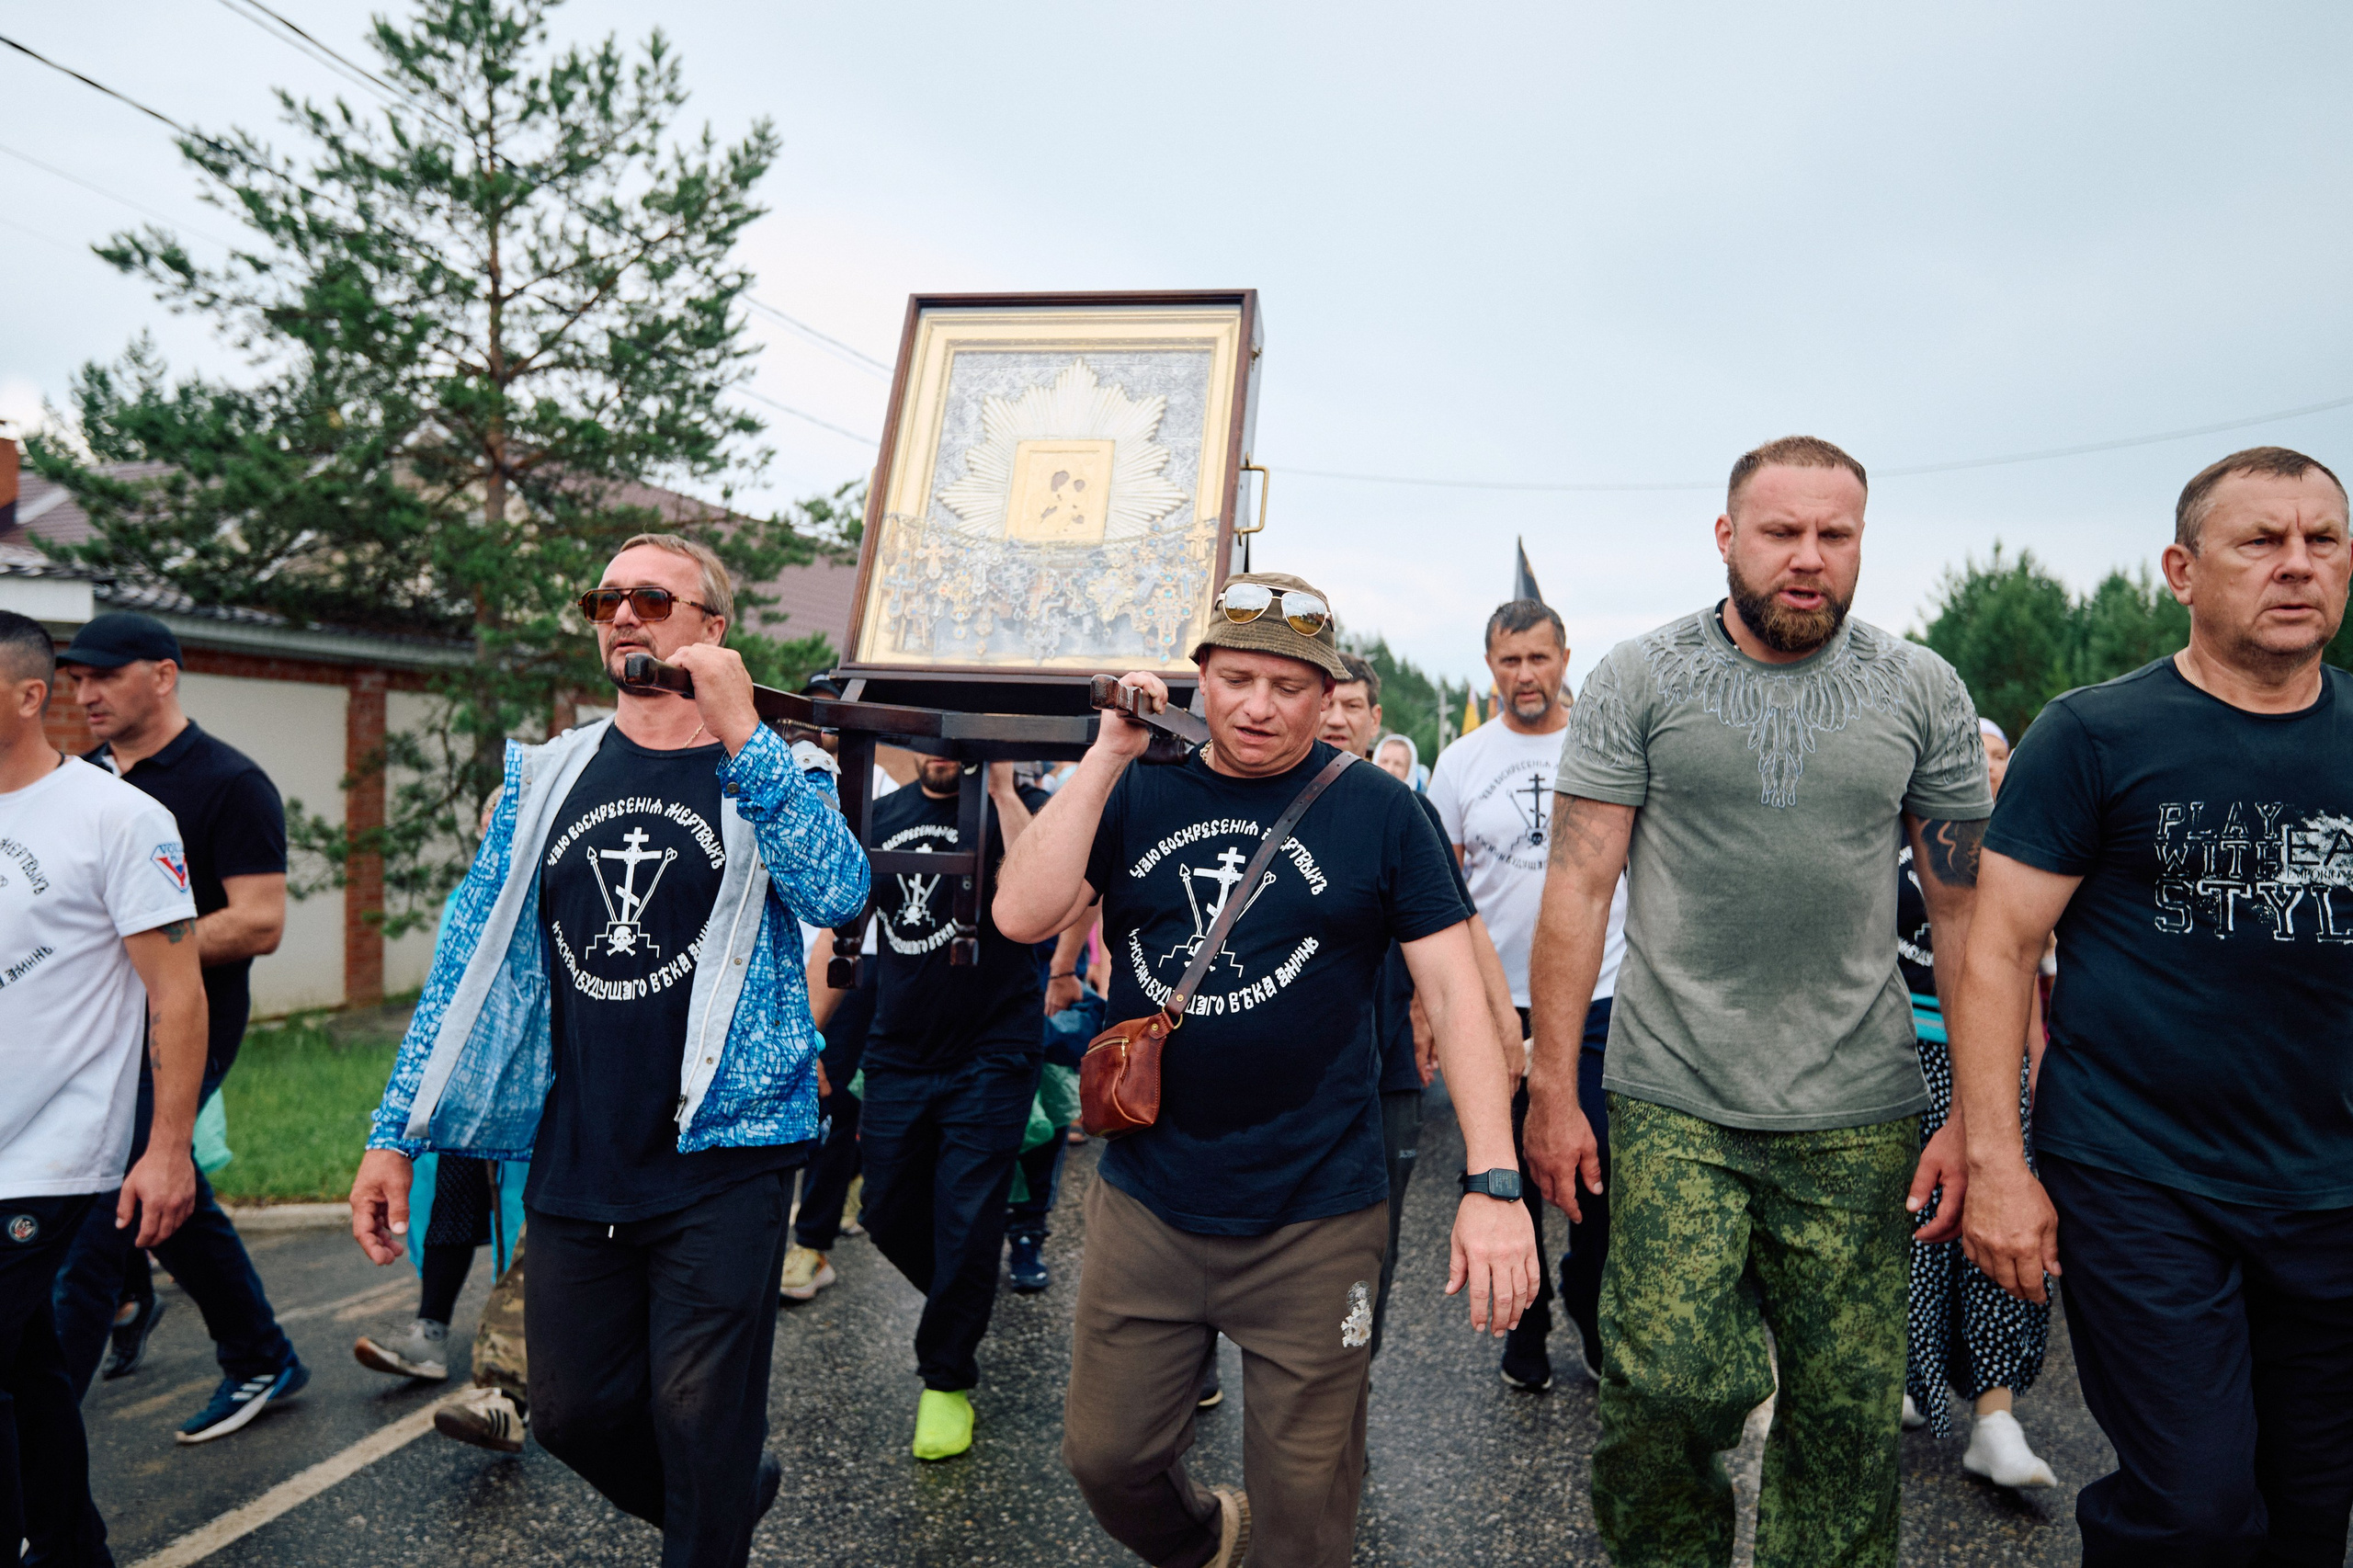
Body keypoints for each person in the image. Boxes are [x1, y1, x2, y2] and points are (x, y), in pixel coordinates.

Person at [996, 570, 1538, 1568]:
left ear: (1326, 693)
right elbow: (1022, 914)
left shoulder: (1378, 810)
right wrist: (1108, 750)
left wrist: (1492, 1180)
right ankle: (1205, 1538)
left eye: (1288, 685)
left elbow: (1459, 993)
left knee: (1305, 1508)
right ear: (1199, 676)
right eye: (1236, 677)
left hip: (1316, 1211)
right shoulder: (1138, 783)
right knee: (1106, 1458)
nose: (1258, 705)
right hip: (1149, 1197)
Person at [350, 532, 869, 1567]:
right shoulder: (547, 776)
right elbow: (463, 961)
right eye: (606, 600)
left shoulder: (783, 765)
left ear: (711, 629)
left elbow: (840, 893)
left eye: (651, 598)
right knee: (576, 1414)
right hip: (580, 1148)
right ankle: (721, 1501)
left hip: (728, 1152)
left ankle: (713, 1501)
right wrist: (393, 1132)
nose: (623, 615)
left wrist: (742, 734)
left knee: (699, 1418)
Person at [1526, 437, 1990, 1566]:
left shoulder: (1918, 686)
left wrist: (1977, 1115)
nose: (1808, 559)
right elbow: (1579, 884)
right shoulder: (1641, 677)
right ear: (1727, 537)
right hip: (1675, 1090)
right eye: (1782, 531)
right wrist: (1549, 1086)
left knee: (1843, 1422)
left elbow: (1971, 917)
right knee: (1666, 1389)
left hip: (1858, 1108)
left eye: (1835, 535)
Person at [1954, 446, 2353, 1564]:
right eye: (2258, 541)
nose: (2294, 565)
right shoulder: (2093, 736)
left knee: (2310, 1506)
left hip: (2328, 1186)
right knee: (2192, 1506)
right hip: (2142, 1175)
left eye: (2320, 540)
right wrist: (2000, 1166)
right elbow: (1997, 951)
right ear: (2181, 569)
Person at [46, 611, 310, 1442]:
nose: (83, 694)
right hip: (89, 1026)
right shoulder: (76, 778)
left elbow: (260, 921)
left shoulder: (229, 782)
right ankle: (262, 1354)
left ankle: (33, 1453)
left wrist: (146, 938)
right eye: (75, 680)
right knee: (159, 1191)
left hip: (189, 1018)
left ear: (161, 676)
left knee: (102, 1206)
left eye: (103, 677)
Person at [0, 608, 207, 1564]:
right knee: (27, 1367)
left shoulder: (119, 818)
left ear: (28, 695)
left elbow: (176, 991)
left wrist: (167, 1149)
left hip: (53, 1149)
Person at [1430, 597, 1630, 1392]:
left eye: (1539, 658)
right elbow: (1440, 891)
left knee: (1597, 1171)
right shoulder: (1462, 762)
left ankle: (1588, 1295)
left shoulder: (1603, 749)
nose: (1525, 676)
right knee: (1505, 1169)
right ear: (1490, 667)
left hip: (1599, 999)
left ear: (1564, 658)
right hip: (1492, 1004)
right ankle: (1528, 1319)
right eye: (1510, 661)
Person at [1319, 651, 1518, 1368]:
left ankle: (1349, 1390)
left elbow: (1462, 929)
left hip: (1386, 1068)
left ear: (1376, 720)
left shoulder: (1403, 810)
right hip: (1289, 1079)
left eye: (1354, 706)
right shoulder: (1259, 797)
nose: (1336, 717)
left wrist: (1503, 1031)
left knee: (1372, 1245)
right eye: (1326, 700)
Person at [853, 752, 1049, 1460]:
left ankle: (946, 1378)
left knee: (968, 1218)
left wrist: (999, 788)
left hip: (993, 1049)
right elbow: (837, 933)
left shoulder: (1016, 807)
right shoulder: (883, 817)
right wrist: (812, 1040)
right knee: (884, 1212)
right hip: (899, 1048)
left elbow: (1045, 897)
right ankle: (963, 1294)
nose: (944, 747)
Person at [1897, 718, 2056, 1487]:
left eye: (1996, 755)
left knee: (1995, 1230)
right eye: (1973, 756)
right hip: (1896, 1058)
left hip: (1985, 1063)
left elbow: (2020, 972)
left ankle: (1994, 1420)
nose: (1986, 768)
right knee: (1910, 1229)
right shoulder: (1897, 839)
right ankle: (1903, 1377)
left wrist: (2034, 1067)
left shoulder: (2026, 851)